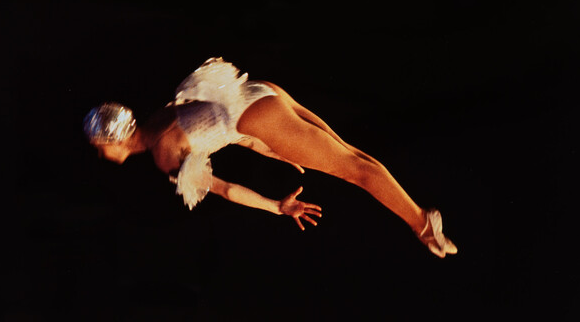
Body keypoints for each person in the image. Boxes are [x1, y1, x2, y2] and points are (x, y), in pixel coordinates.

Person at [84, 58, 457, 257]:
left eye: (98, 147)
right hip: (257, 95)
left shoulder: (164, 157)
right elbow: (222, 127)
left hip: (254, 116)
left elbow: (227, 190)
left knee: (354, 171)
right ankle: (421, 221)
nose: (100, 154)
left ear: (111, 140)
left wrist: (276, 208)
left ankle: (423, 225)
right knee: (354, 157)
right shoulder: (157, 119)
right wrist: (274, 149)